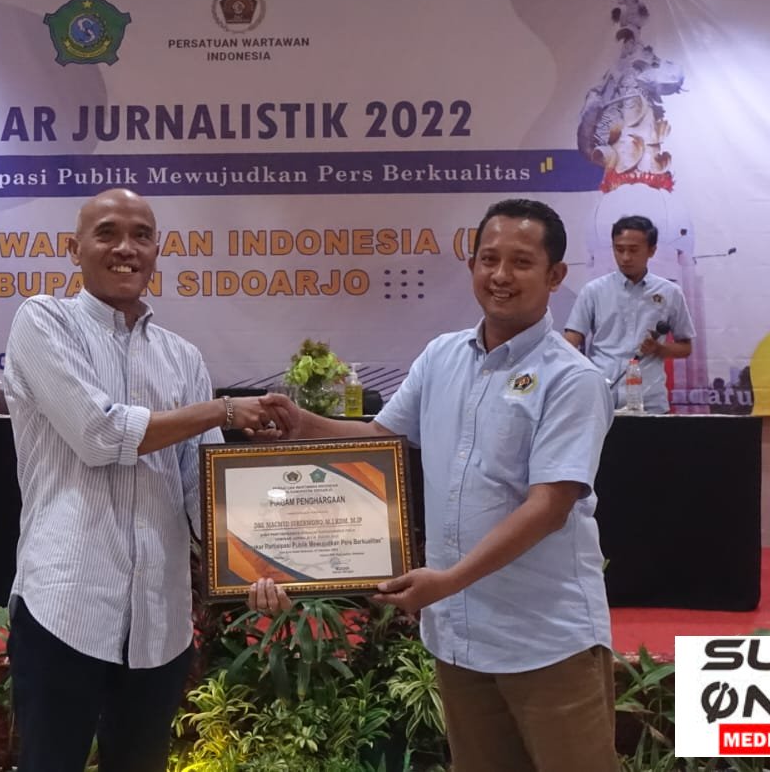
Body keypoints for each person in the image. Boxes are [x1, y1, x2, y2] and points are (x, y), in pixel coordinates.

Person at [250, 197, 619, 771]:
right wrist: (305, 425)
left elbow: (549, 507)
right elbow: (381, 437)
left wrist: (447, 581)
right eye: (488, 259)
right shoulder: (442, 356)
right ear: (471, 265)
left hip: (545, 639)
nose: (501, 275)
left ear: (555, 276)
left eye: (521, 262)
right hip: (459, 638)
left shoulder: (573, 379)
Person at [1, 187, 293, 772]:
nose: (125, 248)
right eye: (107, 233)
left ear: (157, 250)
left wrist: (257, 567)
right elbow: (99, 434)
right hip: (65, 606)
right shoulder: (43, 321)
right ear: (74, 249)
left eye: (141, 235)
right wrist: (221, 410)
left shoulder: (182, 358)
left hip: (159, 621)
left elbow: (203, 489)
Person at [563, 214, 694, 414]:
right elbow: (571, 340)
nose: (625, 257)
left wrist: (659, 349)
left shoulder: (670, 292)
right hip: (601, 399)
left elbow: (685, 348)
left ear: (651, 250)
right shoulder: (593, 290)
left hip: (650, 401)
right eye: (619, 249)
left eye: (633, 250)